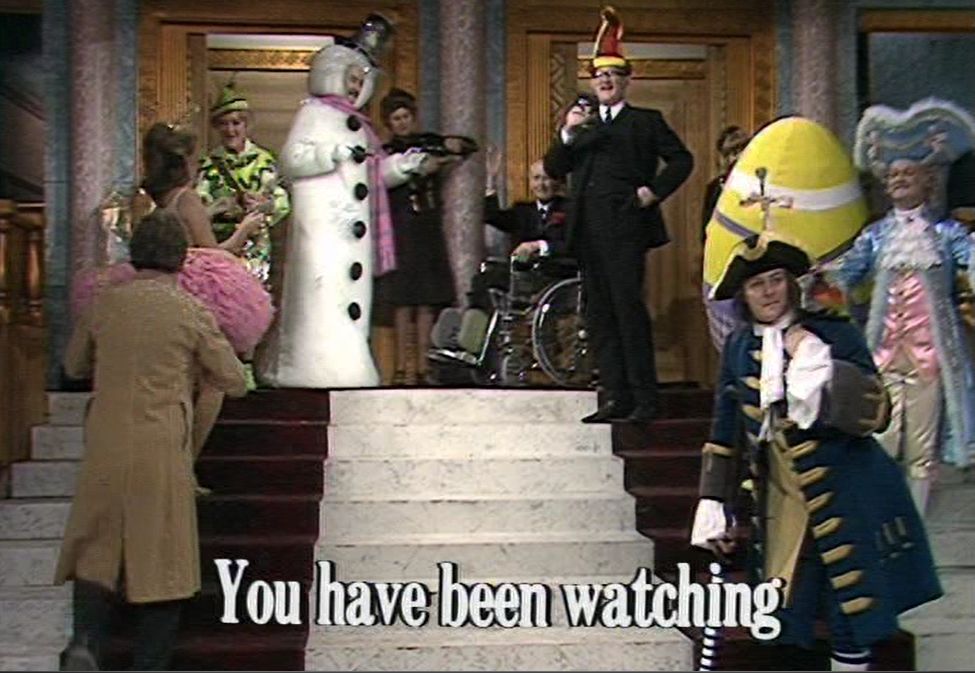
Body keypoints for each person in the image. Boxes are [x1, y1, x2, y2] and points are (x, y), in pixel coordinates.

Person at [690, 229, 942, 672]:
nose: (768, 292)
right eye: (756, 285)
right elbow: (726, 430)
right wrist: (715, 502)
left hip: (850, 491)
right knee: (788, 611)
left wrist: (820, 364)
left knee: (850, 606)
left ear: (791, 284)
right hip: (782, 500)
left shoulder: (833, 332)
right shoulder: (739, 346)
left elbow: (876, 413)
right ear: (744, 296)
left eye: (775, 280)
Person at [55, 211, 248, 671]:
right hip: (160, 444)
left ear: (135, 253)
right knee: (164, 560)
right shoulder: (189, 311)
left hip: (106, 440)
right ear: (180, 258)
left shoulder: (105, 305)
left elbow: (74, 365)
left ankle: (85, 642)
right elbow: (234, 380)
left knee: (97, 547)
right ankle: (148, 665)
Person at [257, 15, 431, 389]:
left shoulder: (361, 126)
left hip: (351, 233)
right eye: (350, 79)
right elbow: (290, 161)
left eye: (359, 81)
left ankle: (345, 365)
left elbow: (371, 172)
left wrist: (402, 166)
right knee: (320, 298)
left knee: (343, 301)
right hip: (322, 230)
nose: (354, 88)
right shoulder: (314, 114)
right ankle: (307, 365)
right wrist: (329, 154)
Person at [825, 98, 975, 514]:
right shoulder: (876, 236)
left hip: (930, 360)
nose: (900, 180)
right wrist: (815, 275)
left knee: (923, 453)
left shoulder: (946, 234)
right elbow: (846, 272)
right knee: (882, 442)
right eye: (893, 175)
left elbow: (971, 261)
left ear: (927, 181)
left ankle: (915, 524)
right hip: (885, 356)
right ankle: (884, 519)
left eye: (908, 173)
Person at [543, 6, 693, 423]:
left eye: (613, 75)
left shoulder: (646, 121)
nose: (605, 81)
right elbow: (554, 167)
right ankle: (614, 398)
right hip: (587, 234)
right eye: (599, 76)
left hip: (626, 229)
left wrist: (653, 192)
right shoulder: (583, 129)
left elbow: (682, 160)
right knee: (599, 317)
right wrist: (567, 132)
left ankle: (645, 399)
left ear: (626, 81)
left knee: (628, 311)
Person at [373, 88, 457, 385]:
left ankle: (422, 367)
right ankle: (399, 369)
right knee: (402, 301)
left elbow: (465, 147)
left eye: (406, 116)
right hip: (398, 229)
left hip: (427, 226)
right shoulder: (384, 152)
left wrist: (440, 159)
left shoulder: (429, 144)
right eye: (396, 118)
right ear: (389, 122)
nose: (402, 123)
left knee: (426, 300)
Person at [196, 80, 292, 290]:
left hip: (254, 248)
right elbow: (198, 206)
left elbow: (282, 203)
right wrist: (220, 206)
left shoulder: (264, 161)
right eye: (224, 123)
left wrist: (263, 206)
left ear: (246, 125)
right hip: (220, 246)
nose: (230, 130)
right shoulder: (208, 164)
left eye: (236, 123)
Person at [700, 125, 750, 241]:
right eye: (732, 152)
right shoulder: (715, 187)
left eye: (742, 149)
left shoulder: (758, 182)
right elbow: (707, 229)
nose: (737, 157)